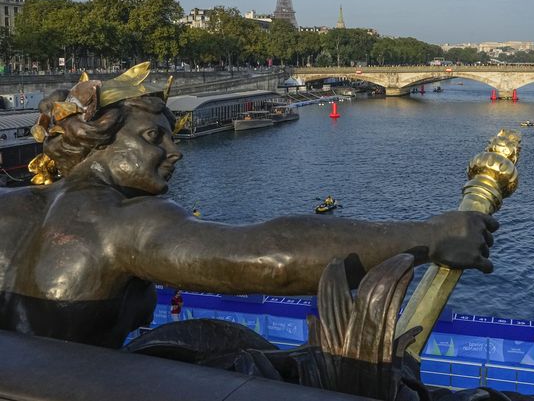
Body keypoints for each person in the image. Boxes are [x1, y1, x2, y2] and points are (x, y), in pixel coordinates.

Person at [0, 64, 498, 349]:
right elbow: (271, 257)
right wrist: (432, 236)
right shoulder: (120, 221)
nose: (174, 152)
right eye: (154, 137)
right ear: (100, 142)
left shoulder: (15, 207)